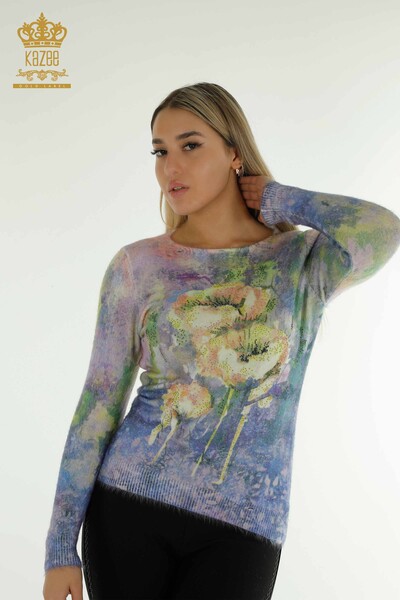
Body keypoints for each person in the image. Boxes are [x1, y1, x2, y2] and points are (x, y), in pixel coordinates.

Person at [43, 82, 400, 600]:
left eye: (190, 145)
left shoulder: (301, 262)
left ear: (235, 153)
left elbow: (382, 229)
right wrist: (60, 547)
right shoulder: (138, 266)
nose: (171, 167)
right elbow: (98, 405)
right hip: (128, 505)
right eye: (160, 151)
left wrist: (277, 198)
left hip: (247, 526)